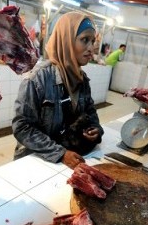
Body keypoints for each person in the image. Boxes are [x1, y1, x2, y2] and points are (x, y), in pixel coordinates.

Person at [12, 12, 104, 169]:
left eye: (93, 41)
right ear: (66, 40)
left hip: (64, 160)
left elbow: (90, 111)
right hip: (35, 159)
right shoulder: (38, 78)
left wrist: (96, 128)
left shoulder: (82, 80)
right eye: (84, 40)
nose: (91, 48)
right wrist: (60, 153)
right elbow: (22, 127)